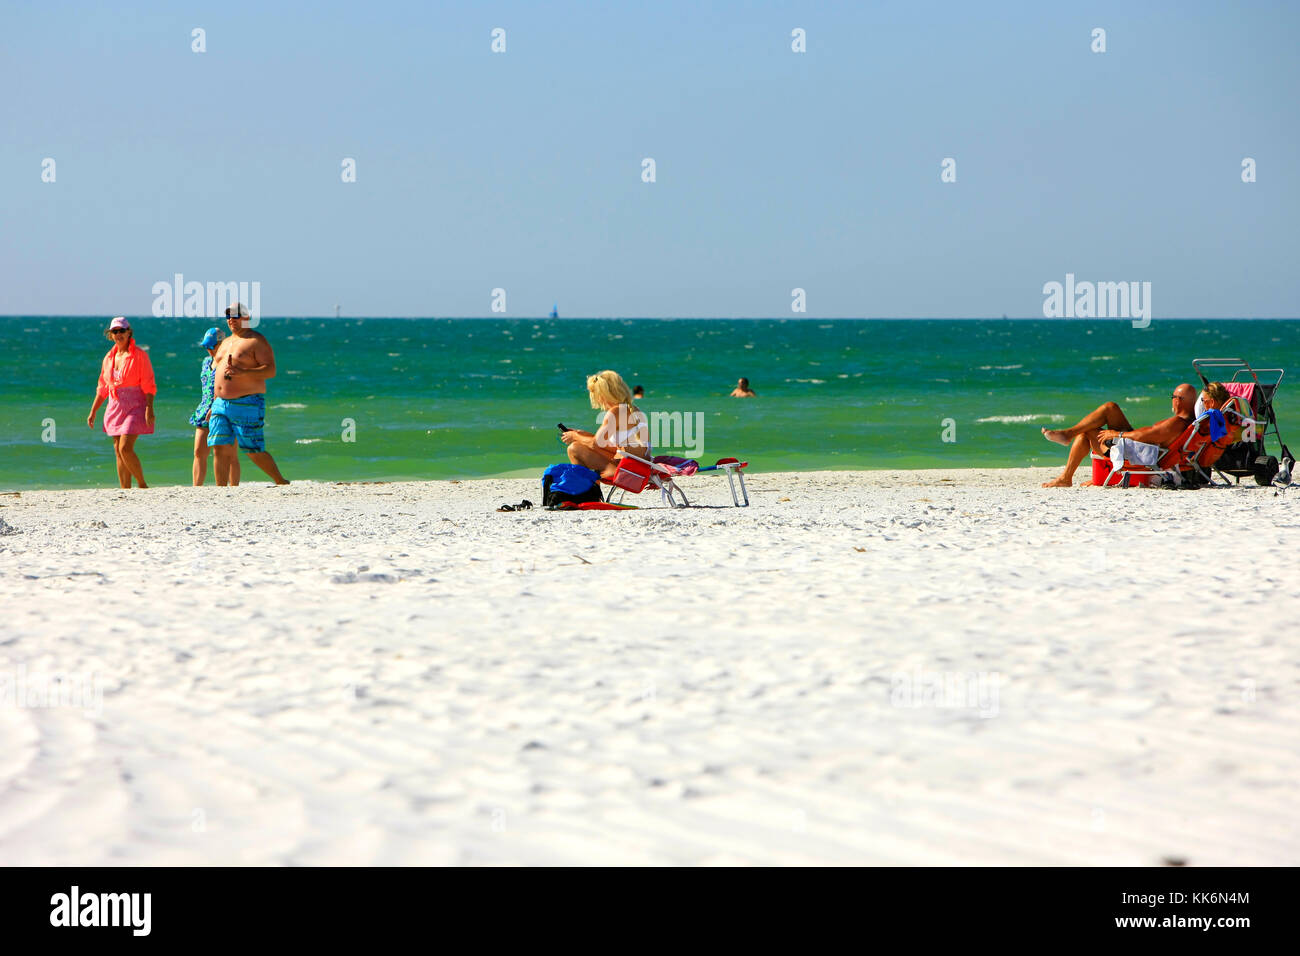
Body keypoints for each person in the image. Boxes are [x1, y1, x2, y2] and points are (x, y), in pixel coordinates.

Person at [1040, 383, 1197, 487]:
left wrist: (1118, 434)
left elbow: (1149, 435)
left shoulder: (1178, 422)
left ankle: (1066, 469)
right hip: (1143, 446)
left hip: (1139, 453)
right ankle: (1068, 444)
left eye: (1173, 397)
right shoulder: (1187, 422)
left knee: (1087, 431)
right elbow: (1150, 435)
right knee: (1111, 408)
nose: (1172, 401)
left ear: (1179, 401)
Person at [209, 303, 289, 486]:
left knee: (252, 449)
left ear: (246, 317)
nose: (231, 319)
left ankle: (280, 480)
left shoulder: (256, 340)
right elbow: (217, 373)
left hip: (247, 402)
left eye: (235, 315)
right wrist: (213, 404)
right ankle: (220, 489)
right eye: (228, 315)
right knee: (219, 447)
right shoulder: (226, 343)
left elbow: (271, 370)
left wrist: (244, 373)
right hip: (220, 403)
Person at [87, 317, 155, 488]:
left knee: (125, 447)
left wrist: (149, 408)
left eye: (122, 331)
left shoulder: (140, 355)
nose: (119, 334)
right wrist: (93, 411)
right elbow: (102, 387)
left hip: (136, 405)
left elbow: (149, 383)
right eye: (115, 331)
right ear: (111, 335)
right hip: (115, 405)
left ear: (129, 332)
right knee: (118, 450)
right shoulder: (108, 358)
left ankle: (142, 484)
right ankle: (125, 489)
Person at [561, 370, 651, 478]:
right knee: (579, 444)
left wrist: (575, 436)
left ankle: (591, 492)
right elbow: (615, 447)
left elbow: (596, 444)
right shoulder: (634, 410)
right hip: (639, 468)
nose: (596, 399)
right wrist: (583, 435)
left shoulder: (615, 412)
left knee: (574, 448)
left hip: (625, 471)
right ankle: (592, 491)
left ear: (603, 395)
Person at [189, 326, 238, 486]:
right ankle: (196, 487)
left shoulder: (229, 362)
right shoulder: (206, 362)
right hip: (204, 411)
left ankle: (232, 488)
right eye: (206, 346)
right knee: (198, 452)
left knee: (229, 455)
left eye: (212, 346)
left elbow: (228, 387)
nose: (209, 349)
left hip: (225, 411)